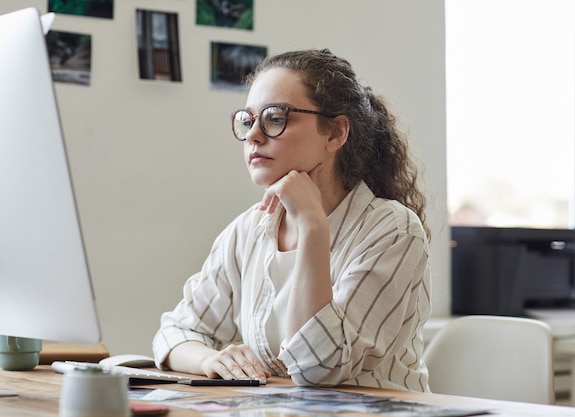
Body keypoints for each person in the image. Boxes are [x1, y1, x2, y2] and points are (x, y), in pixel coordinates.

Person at [152, 48, 432, 392]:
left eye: (274, 117)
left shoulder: (394, 230)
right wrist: (211, 360)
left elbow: (318, 369)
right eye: (247, 120)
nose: (254, 135)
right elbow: (175, 333)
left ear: (335, 134)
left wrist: (313, 226)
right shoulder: (248, 230)